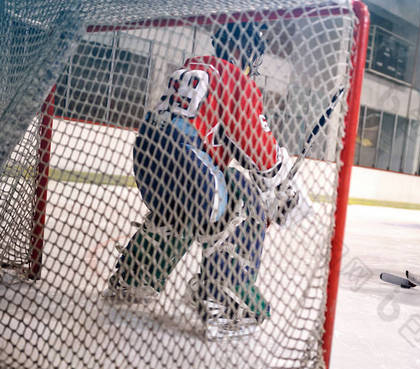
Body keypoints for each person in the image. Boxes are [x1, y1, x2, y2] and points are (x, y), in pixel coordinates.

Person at [104, 22, 299, 324]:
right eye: (253, 58)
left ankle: (134, 276)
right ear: (242, 52)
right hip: (187, 159)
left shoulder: (195, 68)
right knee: (240, 196)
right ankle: (221, 294)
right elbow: (259, 147)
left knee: (181, 211)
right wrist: (281, 185)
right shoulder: (235, 78)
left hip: (148, 157)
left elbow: (220, 141)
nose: (253, 67)